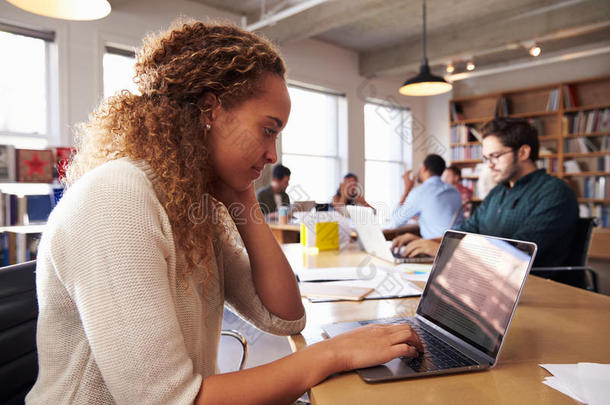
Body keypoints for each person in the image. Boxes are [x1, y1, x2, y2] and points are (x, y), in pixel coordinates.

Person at [26, 20, 424, 405]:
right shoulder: (117, 200)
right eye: (268, 130)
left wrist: (243, 200)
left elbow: (284, 317)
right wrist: (332, 354)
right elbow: (166, 402)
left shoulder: (188, 204)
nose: (272, 155)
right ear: (209, 111)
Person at [392, 117, 578, 267]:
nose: (489, 165)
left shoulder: (555, 193)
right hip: (491, 283)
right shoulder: (498, 193)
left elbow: (518, 254)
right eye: (486, 158)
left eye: (495, 156)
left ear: (523, 152)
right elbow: (465, 233)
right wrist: (427, 242)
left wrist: (441, 250)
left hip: (537, 290)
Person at [391, 154, 463, 239]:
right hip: (457, 244)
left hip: (436, 247)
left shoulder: (420, 192)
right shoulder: (454, 191)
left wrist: (407, 189)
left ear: (424, 168)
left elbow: (396, 220)